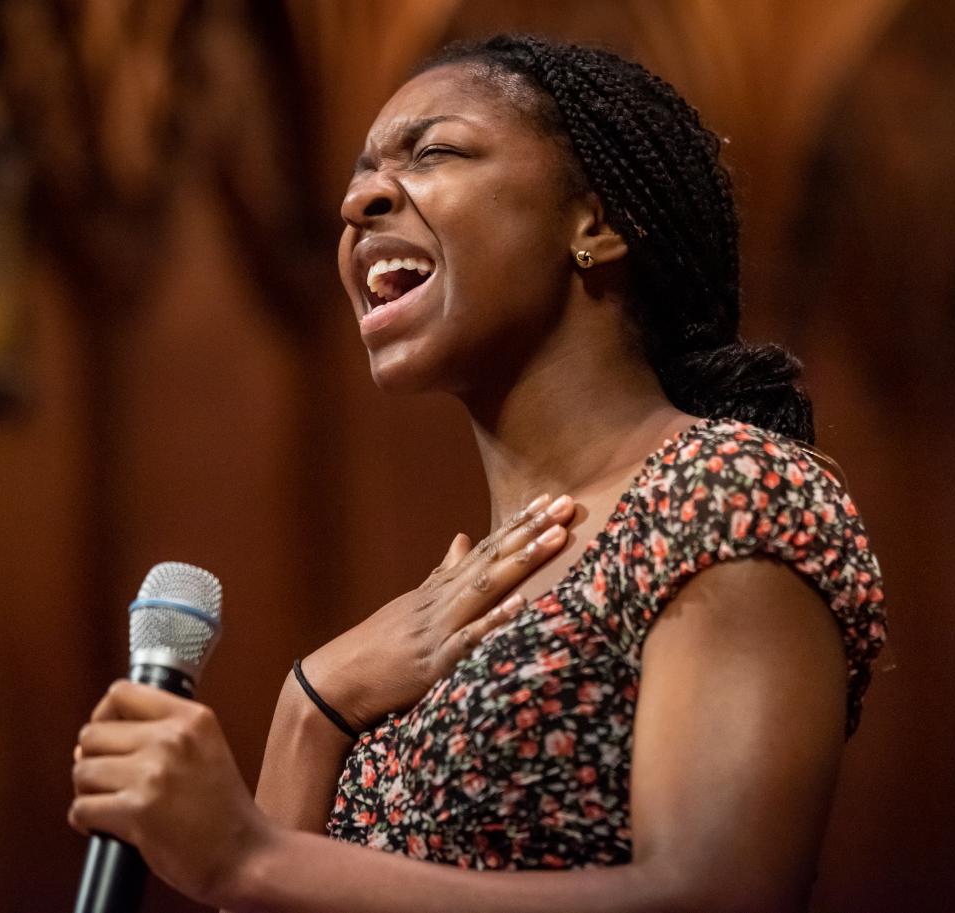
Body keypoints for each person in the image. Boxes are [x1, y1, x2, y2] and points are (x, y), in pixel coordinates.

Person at [68, 33, 887, 912]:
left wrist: (247, 855)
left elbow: (722, 895)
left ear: (598, 222)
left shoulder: (727, 488)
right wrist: (312, 705)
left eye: (433, 152)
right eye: (360, 174)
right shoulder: (446, 603)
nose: (359, 200)